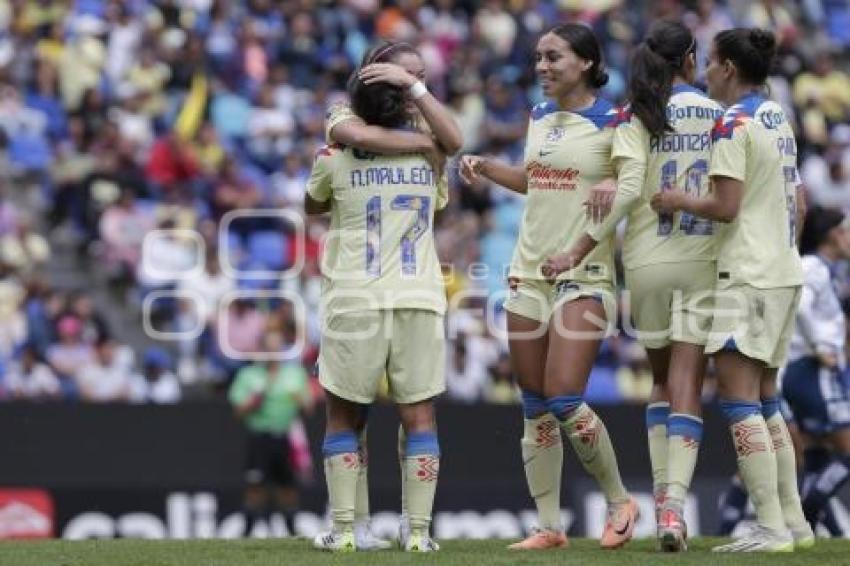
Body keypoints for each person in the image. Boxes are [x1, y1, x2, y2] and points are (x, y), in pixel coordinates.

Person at [543, 21, 724, 551]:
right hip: (702, 257)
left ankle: (656, 504)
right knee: (690, 382)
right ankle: (672, 510)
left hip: (646, 261)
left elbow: (623, 190)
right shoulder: (721, 115)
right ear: (691, 60)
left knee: (661, 382)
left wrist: (578, 249)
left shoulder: (634, 114)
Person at [460, 23, 638, 551]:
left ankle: (619, 500)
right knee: (534, 401)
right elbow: (537, 179)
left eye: (553, 57)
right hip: (529, 268)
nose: (541, 66)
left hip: (583, 271)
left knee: (564, 396)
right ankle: (548, 527)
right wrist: (489, 167)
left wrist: (612, 185)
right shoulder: (539, 115)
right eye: (538, 57)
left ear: (585, 62)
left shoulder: (617, 120)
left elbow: (635, 186)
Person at [651, 28, 812, 552]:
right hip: (784, 268)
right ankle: (795, 522)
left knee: (738, 399)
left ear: (726, 68)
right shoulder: (776, 117)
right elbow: (800, 203)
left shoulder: (733, 123)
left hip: (747, 273)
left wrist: (676, 198)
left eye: (712, 63)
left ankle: (769, 528)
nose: (706, 72)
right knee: (767, 398)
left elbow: (724, 205)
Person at [307, 43, 451, 553]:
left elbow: (312, 204)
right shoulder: (432, 153)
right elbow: (439, 196)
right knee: (420, 418)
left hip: (354, 299)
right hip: (419, 295)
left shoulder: (333, 155)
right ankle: (418, 536)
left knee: (345, 417)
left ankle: (346, 532)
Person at [783, 207, 850, 531]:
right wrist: (819, 349)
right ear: (833, 235)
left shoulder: (825, 269)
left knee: (817, 456)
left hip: (808, 370)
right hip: (813, 370)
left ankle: (829, 532)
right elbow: (802, 307)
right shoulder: (814, 267)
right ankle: (808, 511)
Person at [228, 331, 310, 538]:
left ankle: (293, 531)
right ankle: (246, 532)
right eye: (269, 349)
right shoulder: (249, 375)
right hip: (259, 438)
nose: (273, 354)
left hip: (285, 438)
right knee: (255, 487)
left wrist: (300, 399)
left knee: (288, 487)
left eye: (277, 349)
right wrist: (254, 400)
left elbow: (309, 408)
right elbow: (237, 412)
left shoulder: (295, 374)